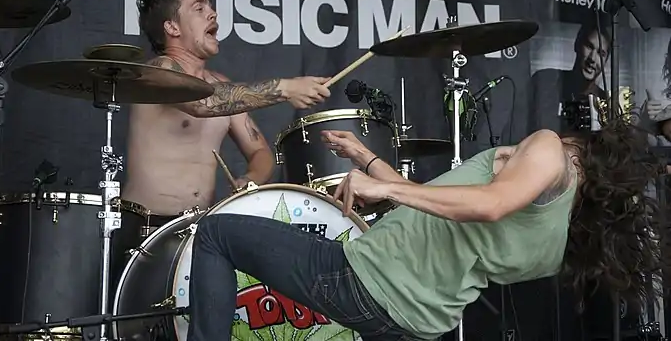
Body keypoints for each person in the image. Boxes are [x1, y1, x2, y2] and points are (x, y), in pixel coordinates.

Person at [184, 118, 669, 340]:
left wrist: (384, 189)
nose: (522, 150)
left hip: (366, 281)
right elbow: (439, 208)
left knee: (215, 234)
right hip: (415, 323)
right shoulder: (554, 244)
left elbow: (491, 205)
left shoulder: (551, 148)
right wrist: (367, 159)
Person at [113, 0, 331, 283]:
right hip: (146, 230)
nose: (213, 13)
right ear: (172, 28)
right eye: (199, 8)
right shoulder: (158, 70)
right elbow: (202, 103)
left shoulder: (222, 85)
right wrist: (286, 88)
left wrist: (249, 180)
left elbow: (260, 152)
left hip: (199, 227)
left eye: (210, 6)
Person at [530, 15, 610, 132]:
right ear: (577, 45)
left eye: (600, 54)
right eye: (589, 46)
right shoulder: (545, 80)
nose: (592, 58)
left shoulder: (605, 102)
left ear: (606, 60)